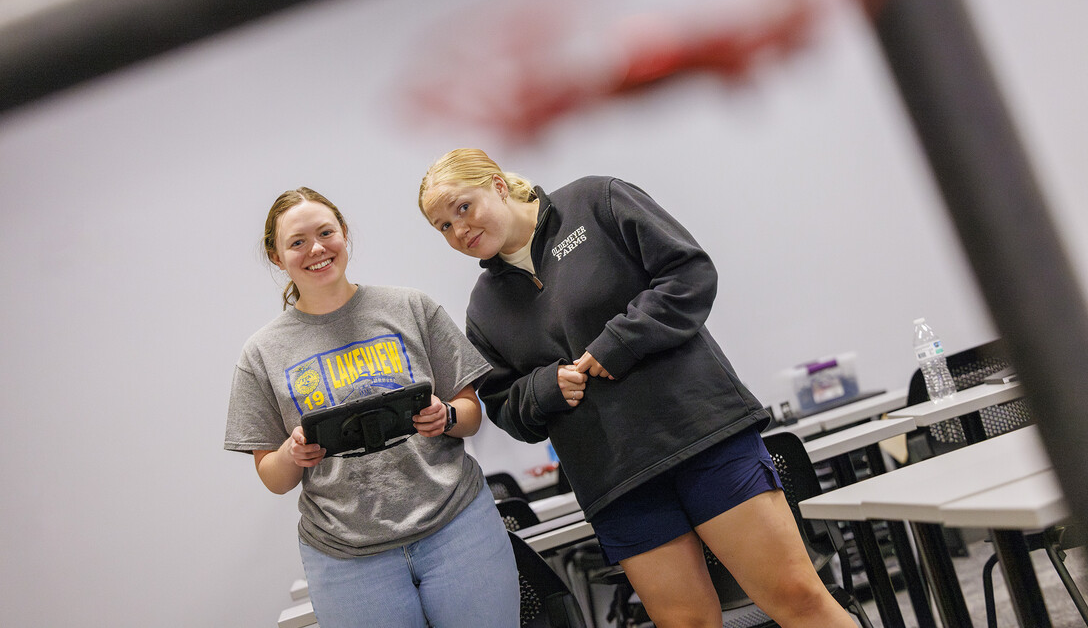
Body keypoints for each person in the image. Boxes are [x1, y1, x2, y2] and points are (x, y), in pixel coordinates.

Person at [418, 150, 856, 628]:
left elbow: (689, 275)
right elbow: (503, 406)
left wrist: (620, 342)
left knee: (796, 597)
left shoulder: (595, 202)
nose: (458, 231)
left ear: (498, 187)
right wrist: (545, 387)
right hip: (616, 482)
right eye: (442, 226)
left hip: (701, 436)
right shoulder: (484, 309)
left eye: (463, 207)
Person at [224, 187, 519, 628]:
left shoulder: (411, 307)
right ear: (276, 256)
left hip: (458, 528)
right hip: (347, 560)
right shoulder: (261, 353)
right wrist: (292, 453)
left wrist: (447, 416)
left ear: (344, 233)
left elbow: (470, 413)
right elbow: (273, 477)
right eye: (297, 242)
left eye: (326, 233)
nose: (317, 249)